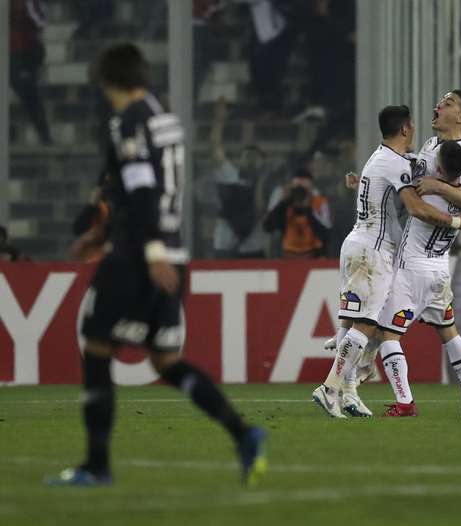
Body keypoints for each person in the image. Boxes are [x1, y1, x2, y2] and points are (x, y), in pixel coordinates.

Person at [46, 43, 266, 487]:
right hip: (170, 250)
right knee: (165, 359)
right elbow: (145, 188)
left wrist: (147, 251)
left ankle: (96, 465)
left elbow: (140, 187)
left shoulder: (126, 120)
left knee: (96, 346)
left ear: (108, 83)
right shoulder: (164, 119)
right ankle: (244, 434)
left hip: (139, 254)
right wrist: (108, 235)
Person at [311, 105, 461, 419]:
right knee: (367, 324)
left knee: (360, 322)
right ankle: (330, 388)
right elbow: (415, 208)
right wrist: (456, 223)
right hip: (373, 249)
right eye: (411, 125)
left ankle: (348, 393)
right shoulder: (396, 163)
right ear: (404, 129)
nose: (415, 129)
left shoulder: (380, 157)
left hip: (361, 246)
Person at [377, 141, 461, 418]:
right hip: (440, 270)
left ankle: (405, 403)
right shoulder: (460, 195)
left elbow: (416, 208)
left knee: (388, 336)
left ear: (438, 166)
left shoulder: (428, 196)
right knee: (449, 331)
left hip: (413, 271)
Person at [208, 97, 270, 258]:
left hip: (253, 251)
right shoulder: (231, 176)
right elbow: (215, 146)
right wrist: (219, 121)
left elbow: (262, 210)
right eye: (247, 155)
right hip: (226, 249)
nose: (251, 159)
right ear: (239, 160)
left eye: (255, 157)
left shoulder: (267, 183)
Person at [262, 168, 332, 259]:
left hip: (313, 253)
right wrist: (284, 202)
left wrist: (308, 209)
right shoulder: (284, 201)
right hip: (286, 253)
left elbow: (326, 233)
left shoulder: (319, 201)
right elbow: (268, 226)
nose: (300, 193)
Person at [10, 0, 52, 145]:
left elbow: (41, 21)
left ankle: (44, 135)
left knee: (29, 95)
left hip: (24, 53)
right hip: (12, 52)